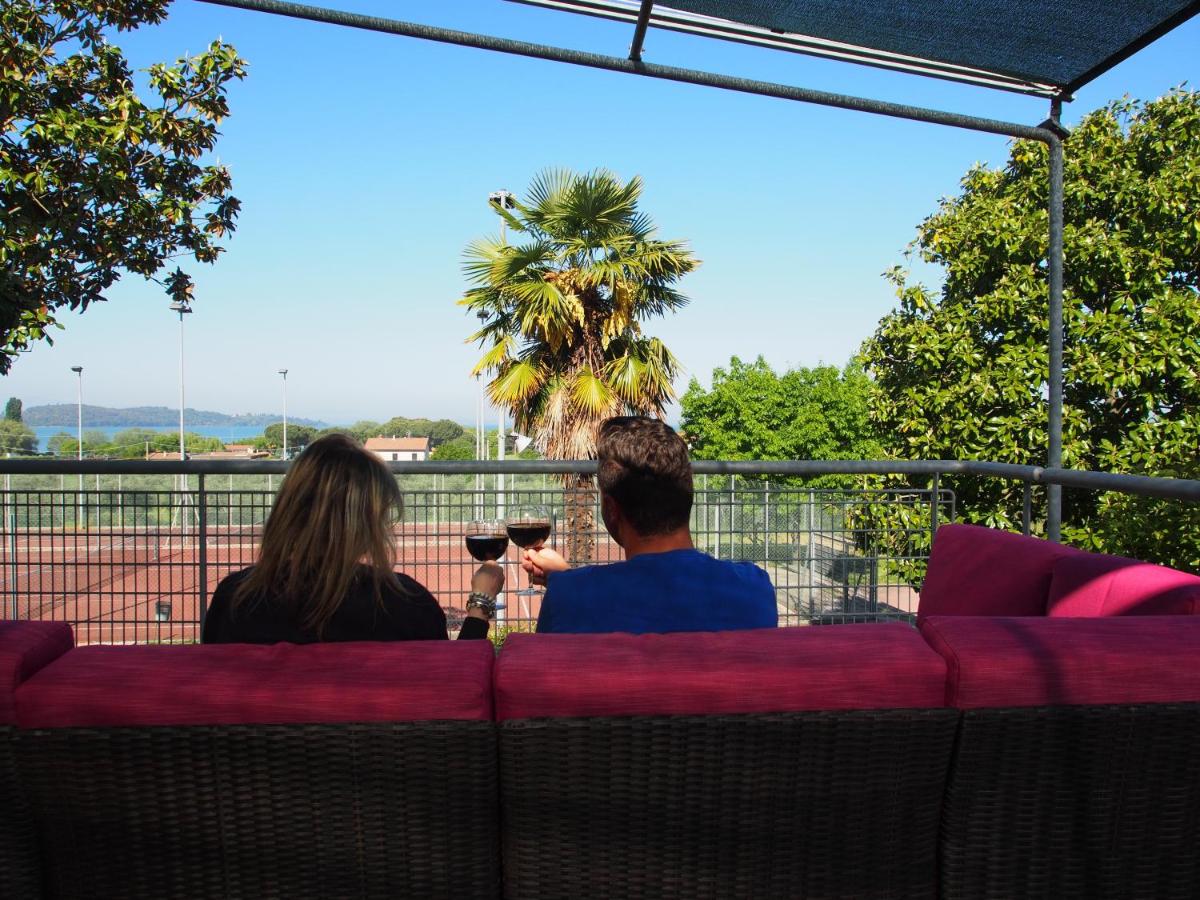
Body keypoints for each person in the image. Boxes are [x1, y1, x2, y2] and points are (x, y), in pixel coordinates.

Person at [203, 433, 499, 644]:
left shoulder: (234, 599)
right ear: (366, 521)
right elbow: (454, 682)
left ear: (288, 508)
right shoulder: (405, 603)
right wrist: (481, 602)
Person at [521, 416, 777, 634]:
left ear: (611, 509)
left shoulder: (568, 598)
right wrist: (568, 580)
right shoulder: (755, 589)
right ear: (687, 493)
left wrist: (568, 583)